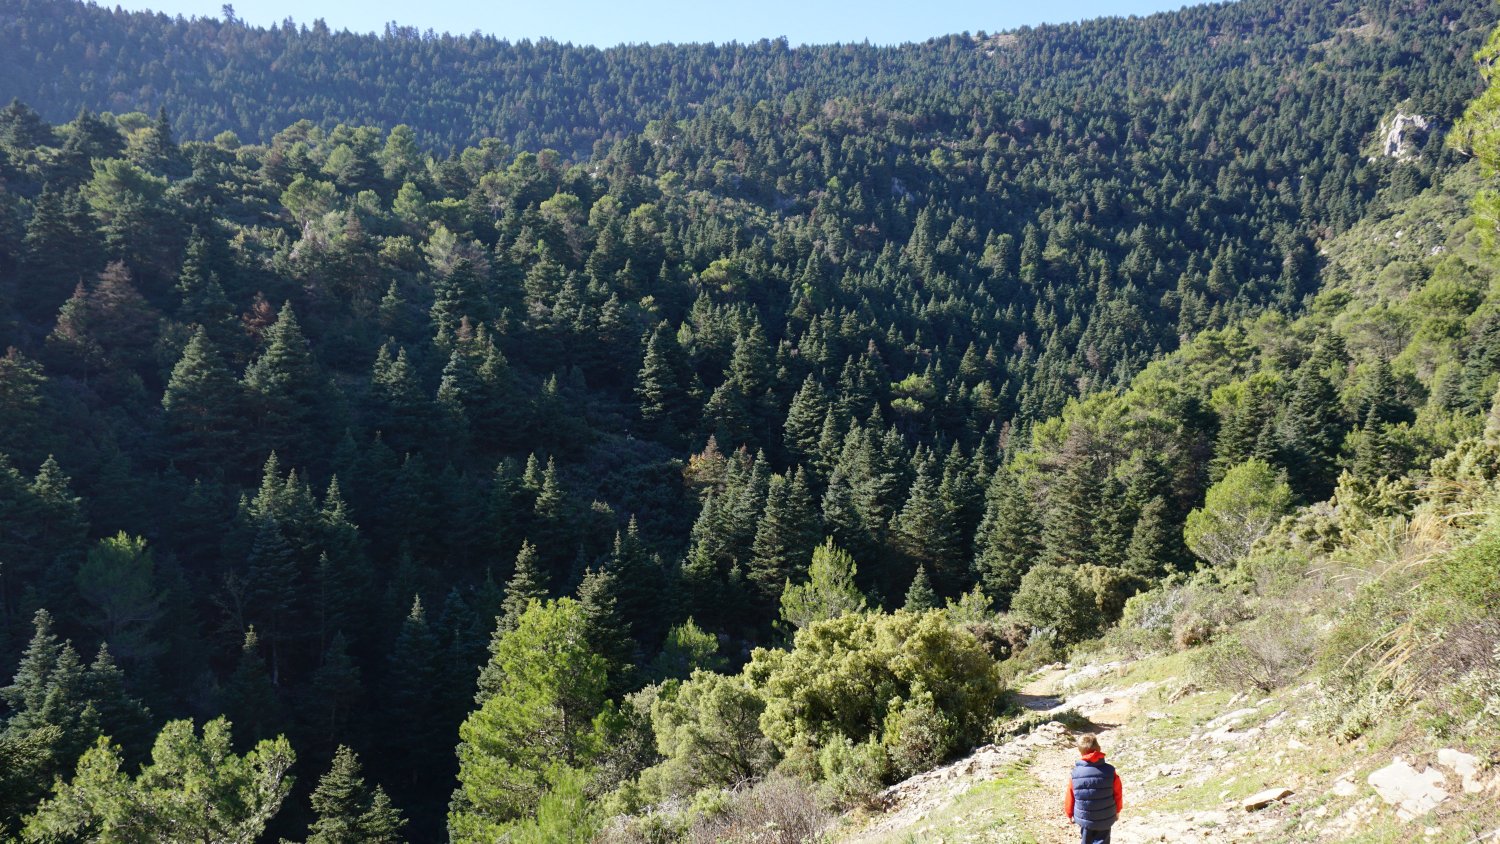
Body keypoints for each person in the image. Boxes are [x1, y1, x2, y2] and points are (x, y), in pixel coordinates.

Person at [1063, 732, 1122, 844]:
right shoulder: (1110, 771)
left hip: (1085, 818)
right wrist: (1118, 810)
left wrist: (1069, 813)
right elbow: (1118, 792)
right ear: (1098, 748)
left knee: (1086, 840)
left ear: (1080, 752)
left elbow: (1070, 795)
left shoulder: (1075, 773)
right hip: (1105, 817)